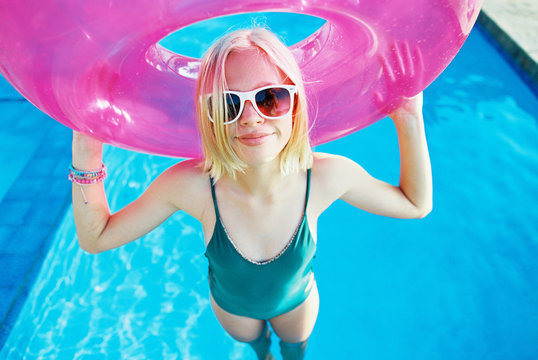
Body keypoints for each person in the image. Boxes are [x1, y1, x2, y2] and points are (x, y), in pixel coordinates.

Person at [71, 27, 432, 360]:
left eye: (270, 98)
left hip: (295, 305)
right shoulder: (191, 186)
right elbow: (97, 238)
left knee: (296, 350)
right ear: (208, 115)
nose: (251, 118)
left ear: (295, 104)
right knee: (259, 349)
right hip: (235, 311)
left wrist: (409, 117)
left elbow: (415, 205)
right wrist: (87, 150)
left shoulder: (326, 176)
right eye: (228, 104)